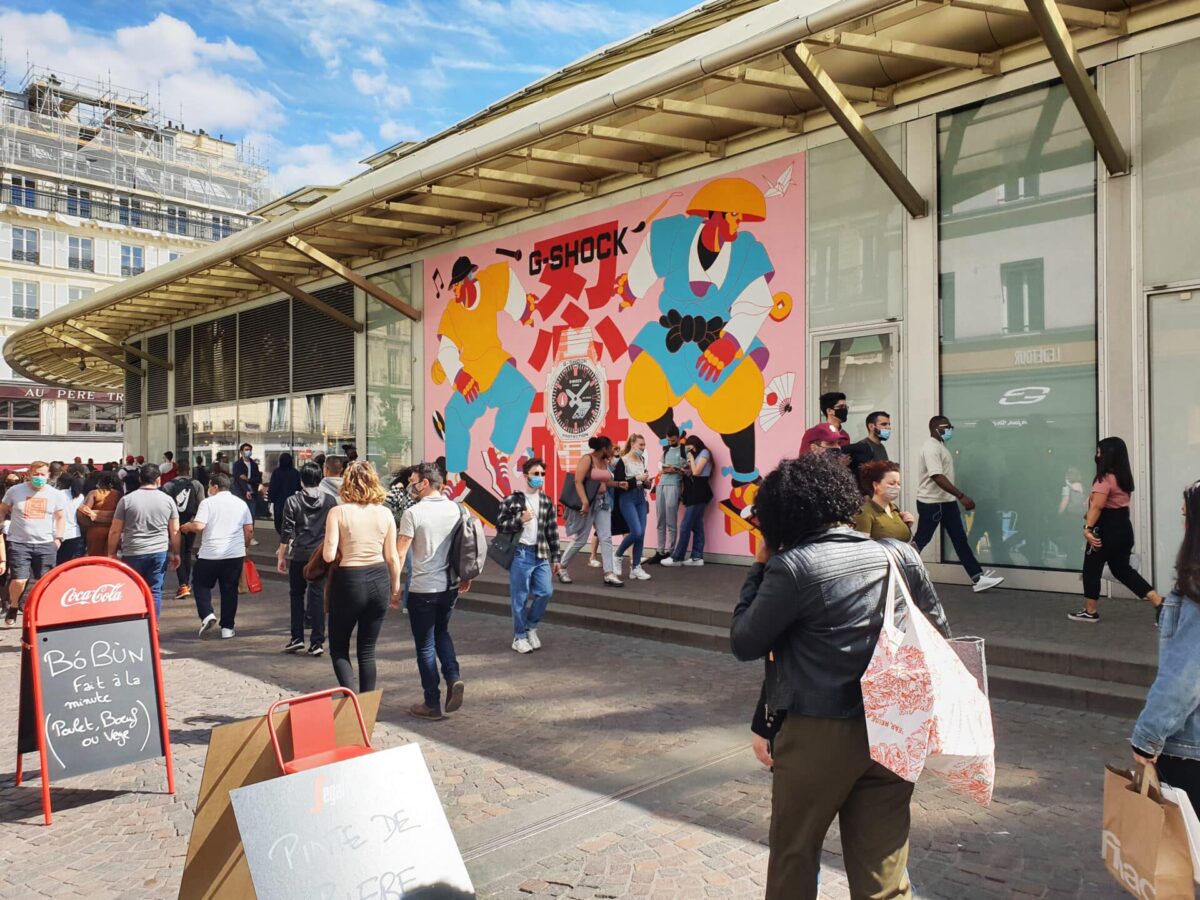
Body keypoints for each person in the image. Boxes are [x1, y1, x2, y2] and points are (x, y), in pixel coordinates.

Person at [730, 454, 951, 900]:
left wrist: (758, 567)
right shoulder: (899, 553)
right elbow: (939, 633)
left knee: (795, 850)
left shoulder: (792, 567)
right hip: (895, 723)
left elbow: (745, 641)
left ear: (782, 513)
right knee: (884, 868)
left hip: (819, 729)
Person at [1131, 480, 1200, 807]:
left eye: (1187, 516)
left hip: (1191, 753)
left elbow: (1184, 678)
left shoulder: (1195, 596)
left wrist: (1147, 738)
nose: (1183, 523)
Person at [322, 461, 402, 692]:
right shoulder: (385, 513)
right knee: (367, 650)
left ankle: (352, 702)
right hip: (379, 578)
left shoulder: (337, 512)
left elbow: (328, 556)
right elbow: (392, 557)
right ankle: (367, 708)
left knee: (339, 647)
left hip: (349, 579)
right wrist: (395, 588)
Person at [397, 463, 467, 720]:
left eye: (413, 481)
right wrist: (464, 576)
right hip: (448, 586)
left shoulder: (413, 513)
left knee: (425, 644)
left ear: (425, 483)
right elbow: (464, 546)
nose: (410, 486)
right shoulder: (456, 509)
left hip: (423, 588)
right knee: (442, 632)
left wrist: (395, 586)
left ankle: (431, 703)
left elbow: (400, 552)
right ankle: (453, 676)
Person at [1070, 437, 1164, 623]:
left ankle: (1090, 611)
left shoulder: (1104, 479)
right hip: (1123, 527)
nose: (1096, 455)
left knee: (1091, 568)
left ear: (1107, 455)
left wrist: (1087, 529)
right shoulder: (1123, 478)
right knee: (1122, 570)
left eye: (1099, 452)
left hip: (1105, 529)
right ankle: (1158, 602)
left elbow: (1097, 507)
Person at [912, 416, 1004, 593]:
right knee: (922, 539)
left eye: (951, 427)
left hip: (946, 502)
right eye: (946, 427)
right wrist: (961, 496)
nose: (950, 430)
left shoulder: (940, 446)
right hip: (933, 503)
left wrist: (955, 497)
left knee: (960, 539)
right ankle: (899, 570)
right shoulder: (931, 448)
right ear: (935, 428)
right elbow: (937, 476)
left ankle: (977, 577)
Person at [496, 457, 562, 654]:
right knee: (520, 597)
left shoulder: (545, 501)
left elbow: (552, 530)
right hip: (521, 553)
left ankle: (530, 626)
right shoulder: (513, 500)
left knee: (546, 591)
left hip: (540, 554)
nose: (539, 477)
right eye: (536, 474)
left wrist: (556, 558)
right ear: (526, 476)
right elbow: (500, 524)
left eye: (542, 474)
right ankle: (519, 637)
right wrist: (519, 519)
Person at [183, 474, 253, 639]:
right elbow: (249, 530)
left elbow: (199, 526)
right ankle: (227, 628)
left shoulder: (208, 503)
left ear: (214, 486)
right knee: (229, 590)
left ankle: (207, 614)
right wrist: (245, 547)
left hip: (210, 553)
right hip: (234, 554)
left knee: (200, 584)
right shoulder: (241, 503)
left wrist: (187, 527)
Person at [278, 461, 338, 656]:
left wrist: (281, 556)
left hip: (300, 553)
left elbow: (286, 532)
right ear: (320, 478)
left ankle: (296, 637)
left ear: (301, 480)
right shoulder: (329, 501)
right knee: (317, 595)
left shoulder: (292, 501)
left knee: (296, 594)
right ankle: (317, 641)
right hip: (320, 554)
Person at [108, 463, 181, 619]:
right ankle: (153, 625)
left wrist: (111, 553)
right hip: (158, 552)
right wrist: (176, 553)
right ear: (158, 480)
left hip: (133, 551)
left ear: (140, 478)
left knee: (132, 588)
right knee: (155, 590)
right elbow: (174, 530)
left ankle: (135, 624)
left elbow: (115, 530)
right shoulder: (168, 501)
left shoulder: (127, 500)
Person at [0, 462, 68, 626]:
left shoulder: (55, 495)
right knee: (19, 579)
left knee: (44, 581)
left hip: (45, 543)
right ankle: (14, 605)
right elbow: (2, 509)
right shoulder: (15, 491)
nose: (39, 478)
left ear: (48, 476)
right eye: (36, 474)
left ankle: (41, 611)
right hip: (19, 542)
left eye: (42, 474)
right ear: (29, 474)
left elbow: (60, 517)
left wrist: (58, 538)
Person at [558, 436, 624, 587]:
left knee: (606, 537)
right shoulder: (587, 459)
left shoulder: (605, 461)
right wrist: (585, 502)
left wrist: (618, 484)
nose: (612, 450)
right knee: (581, 539)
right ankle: (561, 567)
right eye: (610, 448)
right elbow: (578, 481)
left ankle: (609, 573)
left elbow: (605, 481)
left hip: (603, 502)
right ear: (603, 449)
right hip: (589, 503)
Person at [661, 434, 712, 567]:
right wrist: (683, 470)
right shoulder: (695, 455)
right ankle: (697, 557)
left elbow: (697, 472)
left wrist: (690, 459)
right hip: (692, 492)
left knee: (685, 526)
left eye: (690, 449)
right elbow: (691, 472)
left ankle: (677, 557)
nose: (689, 451)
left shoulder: (704, 453)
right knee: (697, 525)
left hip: (699, 491)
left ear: (695, 444)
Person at [161, 462, 205, 600]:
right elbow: (201, 505)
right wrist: (192, 521)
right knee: (187, 552)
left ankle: (183, 584)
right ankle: (187, 582)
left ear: (177, 471)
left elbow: (165, 506)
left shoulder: (168, 485)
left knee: (178, 552)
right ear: (189, 470)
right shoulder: (197, 484)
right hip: (190, 523)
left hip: (175, 523)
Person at [614, 434, 652, 580]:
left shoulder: (642, 459)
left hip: (640, 497)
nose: (643, 448)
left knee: (641, 533)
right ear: (633, 444)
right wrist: (636, 478)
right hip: (627, 498)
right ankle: (617, 555)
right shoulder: (622, 461)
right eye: (641, 445)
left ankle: (636, 567)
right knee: (635, 531)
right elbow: (619, 482)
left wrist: (647, 482)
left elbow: (643, 481)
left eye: (644, 445)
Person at [649, 426, 685, 564]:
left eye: (672, 439)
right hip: (661, 485)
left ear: (678, 437)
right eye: (668, 440)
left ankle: (670, 551)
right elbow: (660, 467)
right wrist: (664, 468)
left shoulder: (684, 450)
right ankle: (660, 550)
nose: (670, 442)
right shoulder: (666, 449)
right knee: (660, 519)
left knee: (671, 520)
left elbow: (687, 470)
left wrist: (677, 469)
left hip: (674, 485)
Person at [854, 461, 915, 542]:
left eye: (899, 484)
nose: (897, 487)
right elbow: (861, 546)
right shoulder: (864, 512)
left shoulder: (894, 509)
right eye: (891, 483)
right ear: (876, 485)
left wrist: (907, 525)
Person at [79, 471, 122, 558]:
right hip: (112, 529)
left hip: (95, 529)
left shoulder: (94, 493)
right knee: (110, 555)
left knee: (94, 555)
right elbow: (119, 512)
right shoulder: (117, 494)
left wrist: (95, 514)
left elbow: (84, 511)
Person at [267, 452, 302, 536]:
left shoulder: (276, 472)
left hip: (279, 501)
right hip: (292, 501)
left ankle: (284, 538)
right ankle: (289, 537)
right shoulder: (295, 472)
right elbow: (299, 487)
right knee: (291, 521)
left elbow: (272, 487)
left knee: (278, 522)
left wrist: (270, 498)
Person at [55, 471, 87, 564]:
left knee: (54, 563)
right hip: (74, 533)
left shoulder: (57, 494)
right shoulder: (80, 496)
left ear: (60, 483)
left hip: (56, 533)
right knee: (66, 563)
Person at [232, 442, 262, 509]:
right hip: (240, 494)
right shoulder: (237, 465)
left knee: (251, 515)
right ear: (241, 452)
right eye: (246, 449)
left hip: (252, 493)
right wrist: (246, 491)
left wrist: (248, 479)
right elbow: (239, 479)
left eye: (250, 450)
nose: (249, 451)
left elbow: (258, 479)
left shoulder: (254, 465)